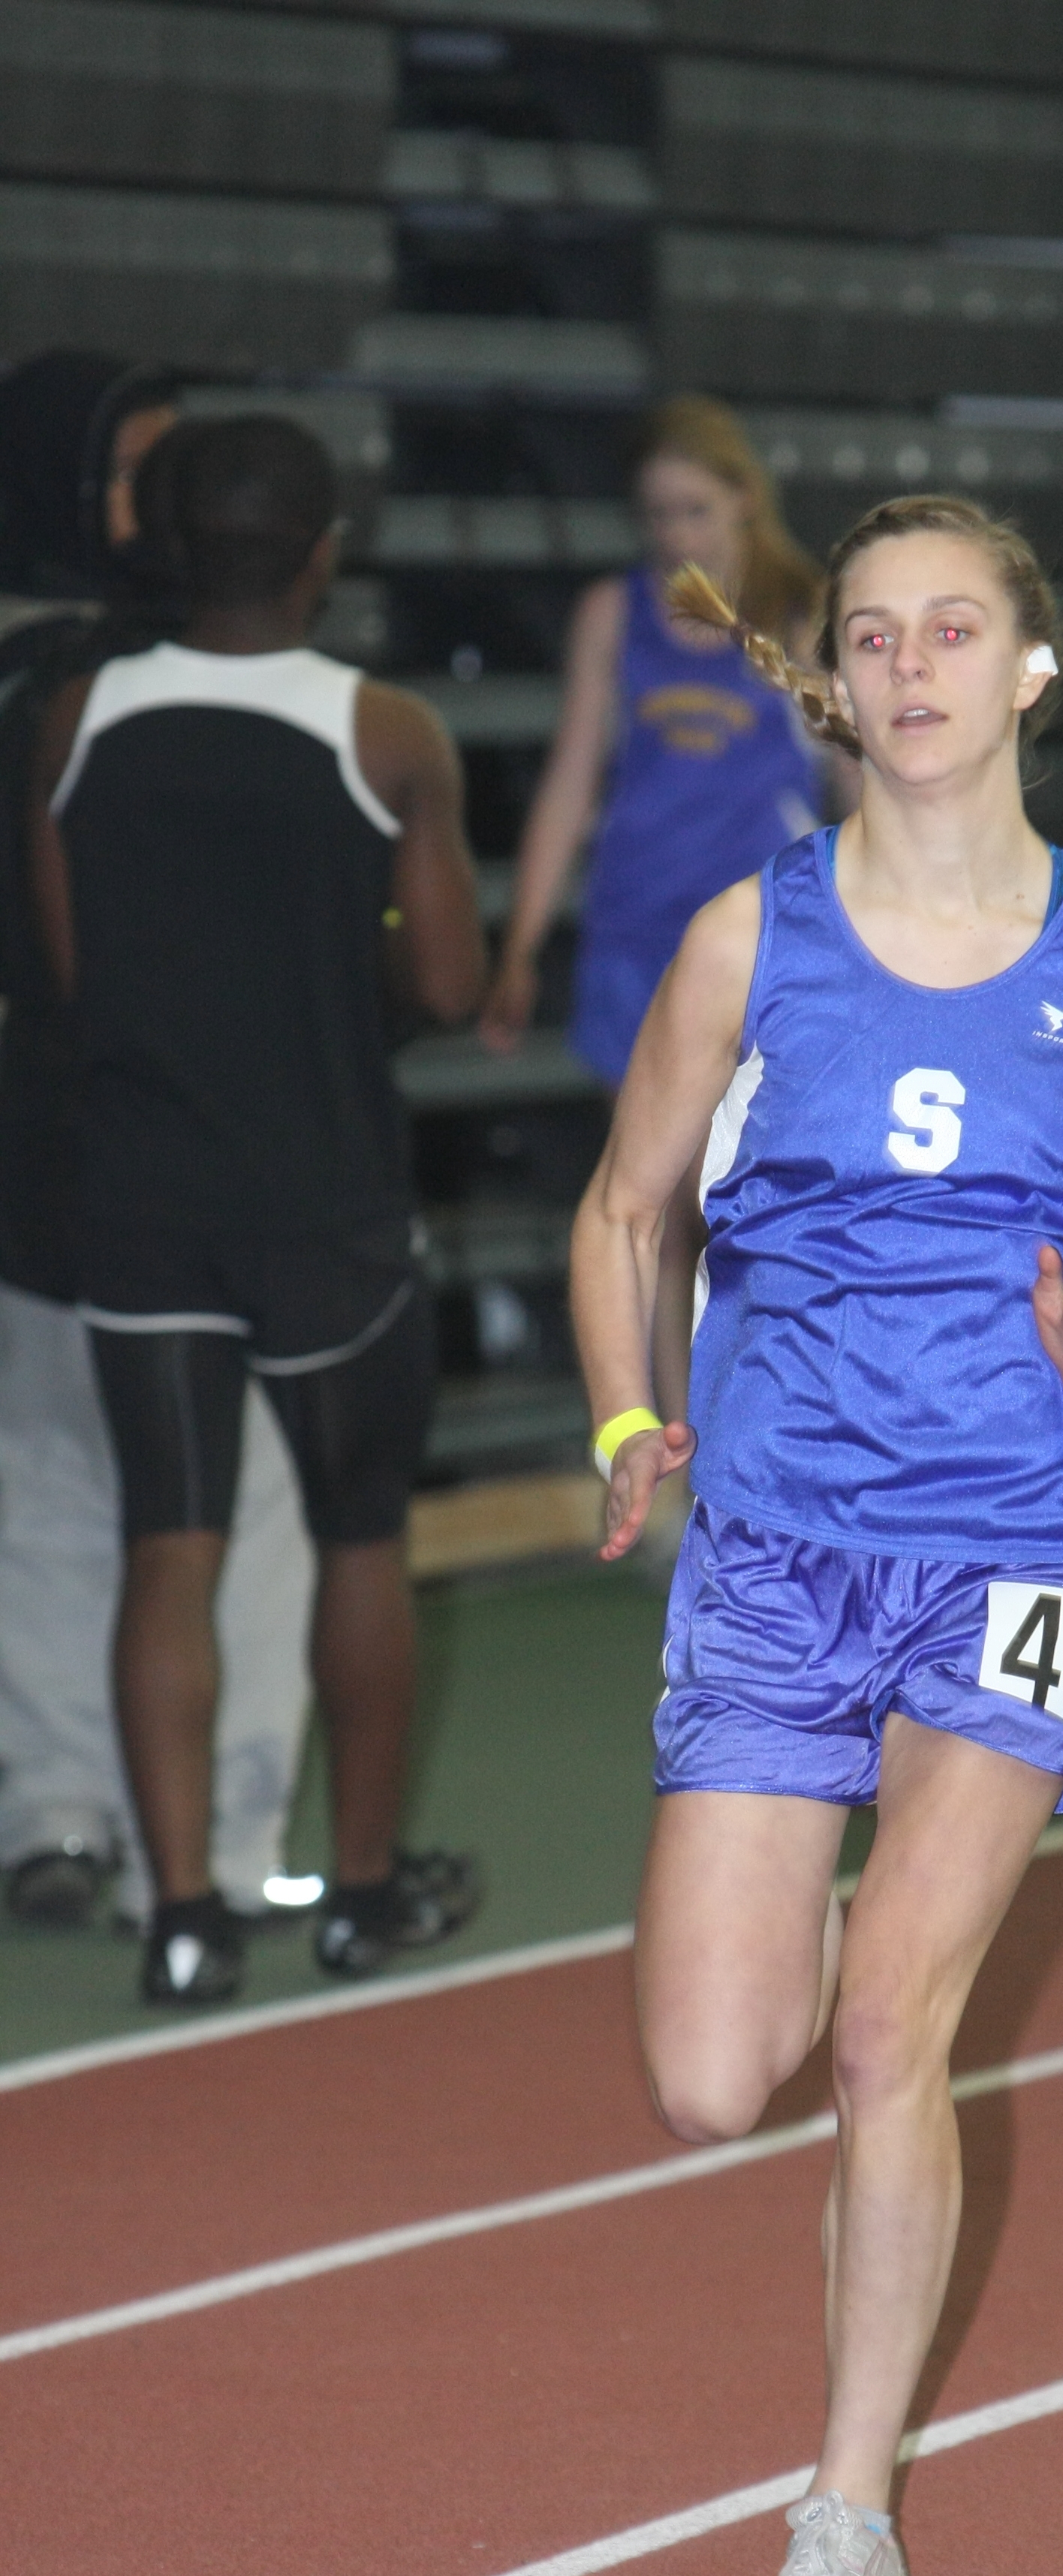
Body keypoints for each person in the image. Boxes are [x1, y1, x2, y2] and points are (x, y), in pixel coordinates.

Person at [570, 492, 1063, 2576]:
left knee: (882, 2036)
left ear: (1034, 669)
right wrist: (619, 1416)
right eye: (877, 636)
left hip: (1016, 1551)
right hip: (775, 1544)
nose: (918, 669)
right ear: (833, 680)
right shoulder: (750, 945)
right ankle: (826, 1909)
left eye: (959, 632)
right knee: (706, 2073)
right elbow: (620, 1210)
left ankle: (848, 2504)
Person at [29, 414, 488, 2004]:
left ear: (164, 546)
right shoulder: (385, 735)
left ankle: (183, 1920)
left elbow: (80, 971)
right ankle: (361, 1898)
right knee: (361, 1538)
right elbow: (448, 978)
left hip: (142, 1192)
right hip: (325, 1200)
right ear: (322, 553)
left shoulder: (82, 715)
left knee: (172, 1542)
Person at [0, 351, 315, 1931]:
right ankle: (170, 1824)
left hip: (128, 1142)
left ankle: (104, 1815)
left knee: (104, 1491)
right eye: (140, 475)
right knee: (178, 1491)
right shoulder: (144, 679)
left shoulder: (178, 668)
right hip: (123, 1147)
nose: (172, 508)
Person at [482, 393, 828, 1083]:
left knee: (740, 1173)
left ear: (746, 498)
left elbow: (863, 780)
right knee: (640, 1180)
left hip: (763, 941)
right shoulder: (613, 613)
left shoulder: (800, 617)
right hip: (634, 927)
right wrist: (521, 944)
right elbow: (571, 782)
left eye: (695, 510)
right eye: (658, 515)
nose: (676, 536)